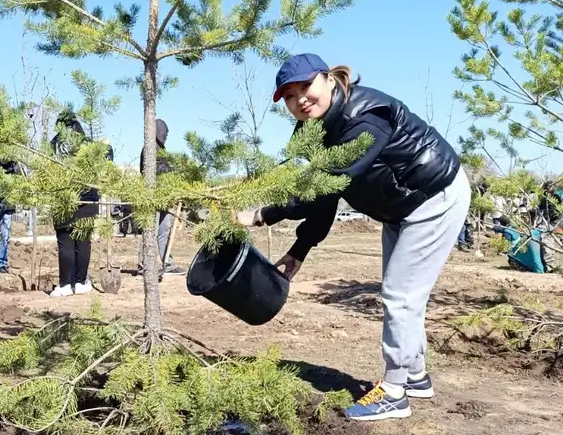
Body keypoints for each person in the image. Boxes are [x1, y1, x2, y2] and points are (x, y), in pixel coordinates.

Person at [239, 54, 470, 421]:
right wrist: (300, 250)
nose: (300, 99)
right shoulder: (311, 130)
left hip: (434, 195)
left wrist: (265, 214)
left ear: (329, 80)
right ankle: (415, 375)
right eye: (289, 95)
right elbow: (328, 194)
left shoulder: (365, 114)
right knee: (405, 294)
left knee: (400, 294)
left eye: (306, 86)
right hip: (401, 207)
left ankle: (395, 392)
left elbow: (327, 182)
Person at [48, 112, 111, 298]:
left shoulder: (54, 145)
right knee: (83, 242)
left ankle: (66, 284)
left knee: (66, 242)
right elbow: (108, 159)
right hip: (88, 198)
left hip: (63, 198)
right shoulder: (90, 143)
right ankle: (81, 281)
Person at [137, 118, 186, 276]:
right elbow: (155, 170)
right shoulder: (149, 149)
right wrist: (172, 170)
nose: (165, 136)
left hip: (164, 197)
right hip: (152, 197)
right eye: (164, 133)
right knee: (150, 231)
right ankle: (144, 265)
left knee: (164, 230)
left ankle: (168, 264)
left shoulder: (161, 149)